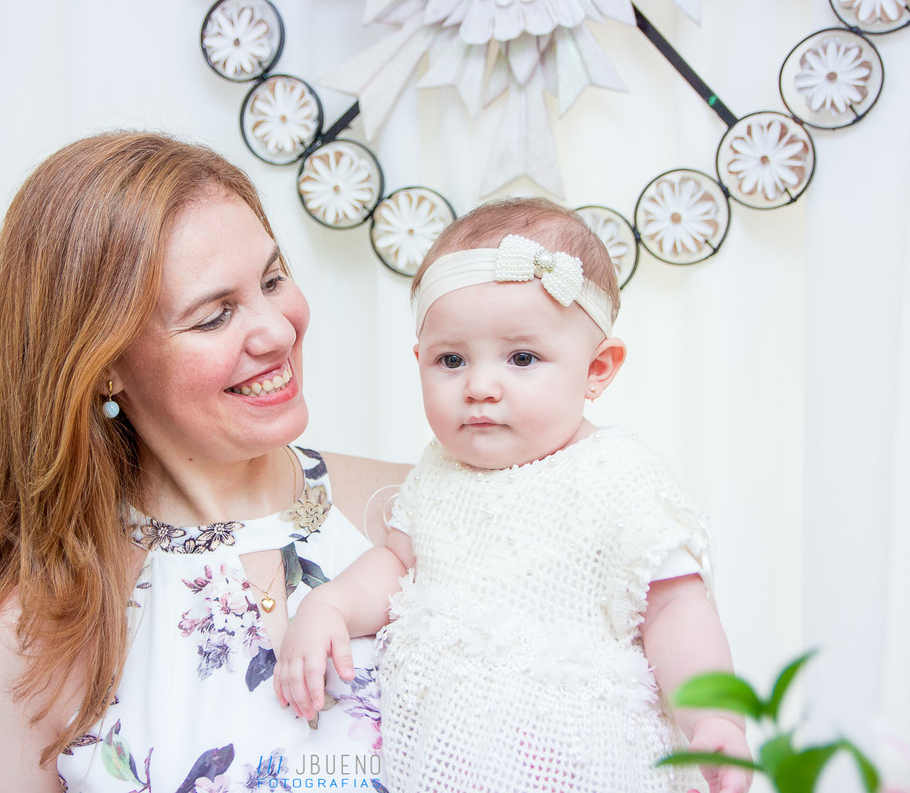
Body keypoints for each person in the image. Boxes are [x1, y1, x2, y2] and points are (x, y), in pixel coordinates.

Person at [0, 131, 409, 793]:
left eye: (274, 280)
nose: (278, 330)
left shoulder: (407, 513)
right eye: (215, 316)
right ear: (104, 368)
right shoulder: (39, 639)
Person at [274, 198, 752, 793]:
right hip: (443, 762)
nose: (479, 386)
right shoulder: (438, 473)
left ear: (597, 368)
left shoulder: (617, 474)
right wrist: (330, 607)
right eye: (451, 360)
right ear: (418, 361)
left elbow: (678, 609)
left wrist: (712, 716)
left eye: (522, 358)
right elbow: (396, 565)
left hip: (588, 760)